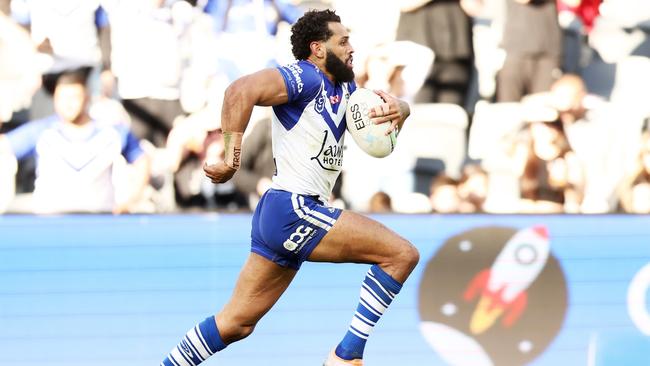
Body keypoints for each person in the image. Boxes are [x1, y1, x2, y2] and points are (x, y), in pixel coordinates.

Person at [160, 9, 419, 366]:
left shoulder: (344, 88)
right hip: (295, 209)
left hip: (281, 213)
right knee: (400, 255)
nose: (351, 47)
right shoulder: (306, 77)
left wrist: (402, 109)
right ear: (317, 49)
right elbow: (241, 89)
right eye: (342, 41)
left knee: (236, 323)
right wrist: (232, 158)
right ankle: (346, 356)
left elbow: (377, 126)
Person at [0, 67, 150, 214]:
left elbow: (142, 160)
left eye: (74, 97)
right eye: (62, 98)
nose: (68, 104)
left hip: (99, 221)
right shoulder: (42, 131)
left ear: (86, 98)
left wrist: (131, 201)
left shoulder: (112, 132)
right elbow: (5, 146)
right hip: (50, 221)